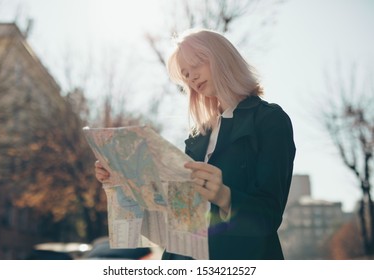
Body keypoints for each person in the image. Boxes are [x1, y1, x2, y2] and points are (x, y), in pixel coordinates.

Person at [95, 28, 296, 260]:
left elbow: (269, 216)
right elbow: (175, 219)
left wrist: (224, 196)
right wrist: (124, 182)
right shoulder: (197, 138)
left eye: (196, 64)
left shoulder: (270, 120)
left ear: (222, 57)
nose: (192, 77)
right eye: (185, 74)